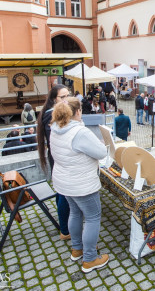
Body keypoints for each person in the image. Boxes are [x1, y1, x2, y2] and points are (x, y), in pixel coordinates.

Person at [50, 97, 109, 273]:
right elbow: (100, 152)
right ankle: (90, 258)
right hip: (81, 183)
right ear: (77, 112)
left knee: (75, 213)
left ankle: (77, 249)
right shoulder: (79, 132)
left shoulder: (56, 129)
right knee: (92, 217)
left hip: (64, 182)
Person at [37, 84, 72, 240]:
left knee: (61, 191)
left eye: (68, 96)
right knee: (64, 193)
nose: (66, 100)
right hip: (59, 158)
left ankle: (64, 223)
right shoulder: (51, 115)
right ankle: (65, 230)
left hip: (57, 157)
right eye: (62, 97)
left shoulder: (52, 113)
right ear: (53, 99)